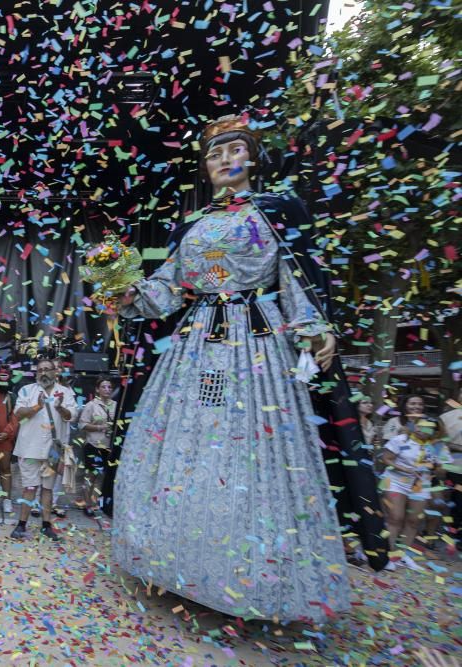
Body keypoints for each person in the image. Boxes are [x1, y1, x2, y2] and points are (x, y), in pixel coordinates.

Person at [111, 115, 369, 622]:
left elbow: (296, 278)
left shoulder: (278, 212)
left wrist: (316, 329)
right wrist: (129, 296)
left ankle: (256, 574)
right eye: (215, 153)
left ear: (253, 159)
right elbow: (168, 285)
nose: (226, 159)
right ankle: (184, 566)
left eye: (236, 150)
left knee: (254, 447)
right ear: (204, 168)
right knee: (190, 445)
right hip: (199, 345)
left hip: (258, 347)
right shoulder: (192, 224)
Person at [10, 356, 76, 542]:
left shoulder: (66, 392)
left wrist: (61, 407)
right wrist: (37, 406)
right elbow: (19, 413)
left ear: (55, 372)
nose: (43, 373)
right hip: (29, 449)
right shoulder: (26, 390)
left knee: (48, 489)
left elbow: (71, 416)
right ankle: (21, 525)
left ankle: (46, 526)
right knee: (29, 488)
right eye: (40, 370)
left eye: (47, 369)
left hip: (53, 451)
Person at [380, 414, 451, 571]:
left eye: (428, 428)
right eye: (420, 425)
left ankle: (402, 555)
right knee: (395, 518)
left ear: (435, 432)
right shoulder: (402, 439)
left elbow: (442, 473)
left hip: (420, 485)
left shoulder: (438, 447)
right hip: (395, 481)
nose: (422, 429)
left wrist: (436, 466)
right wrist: (404, 468)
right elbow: (386, 458)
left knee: (413, 521)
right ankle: (390, 555)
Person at [77, 377, 115, 517]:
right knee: (91, 475)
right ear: (97, 389)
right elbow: (82, 425)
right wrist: (100, 427)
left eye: (109, 387)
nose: (107, 390)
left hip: (109, 446)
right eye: (103, 387)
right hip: (94, 444)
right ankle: (88, 504)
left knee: (106, 476)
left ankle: (102, 503)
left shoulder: (116, 405)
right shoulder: (91, 405)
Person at [0, 363, 18, 514]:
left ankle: (7, 500)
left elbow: (15, 418)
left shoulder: (11, 396)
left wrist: (7, 433)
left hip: (4, 442)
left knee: (5, 470)